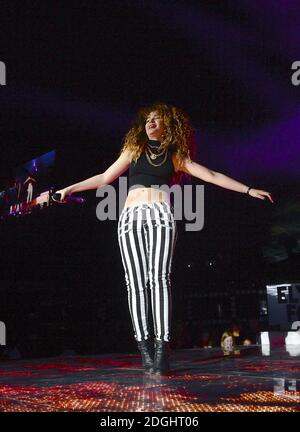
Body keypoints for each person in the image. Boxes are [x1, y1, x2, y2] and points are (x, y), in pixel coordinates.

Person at [53, 102, 274, 375]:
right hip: (129, 217)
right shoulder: (133, 150)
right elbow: (104, 177)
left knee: (158, 279)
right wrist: (68, 188)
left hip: (160, 214)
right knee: (134, 282)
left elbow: (211, 175)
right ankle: (144, 346)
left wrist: (248, 190)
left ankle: (161, 347)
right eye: (148, 120)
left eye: (157, 120)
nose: (151, 123)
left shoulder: (175, 153)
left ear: (168, 126)